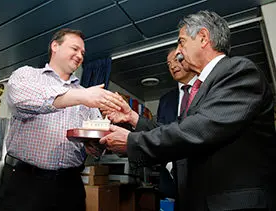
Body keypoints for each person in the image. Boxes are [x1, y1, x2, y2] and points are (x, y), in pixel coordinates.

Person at [100, 11, 276, 211]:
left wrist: (132, 142)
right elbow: (178, 128)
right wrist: (133, 118)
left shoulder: (240, 72)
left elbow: (197, 130)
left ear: (203, 38)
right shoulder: (201, 88)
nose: (178, 52)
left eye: (181, 42)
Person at [0, 28, 123, 211]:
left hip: (70, 185)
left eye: (83, 53)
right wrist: (80, 97)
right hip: (25, 182)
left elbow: (97, 146)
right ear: (55, 46)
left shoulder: (86, 94)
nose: (80, 55)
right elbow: (20, 101)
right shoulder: (27, 75)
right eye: (75, 48)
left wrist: (96, 145)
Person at [157, 48, 196, 208]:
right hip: (171, 184)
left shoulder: (209, 89)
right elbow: (158, 135)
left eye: (177, 59)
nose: (173, 65)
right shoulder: (165, 100)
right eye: (169, 64)